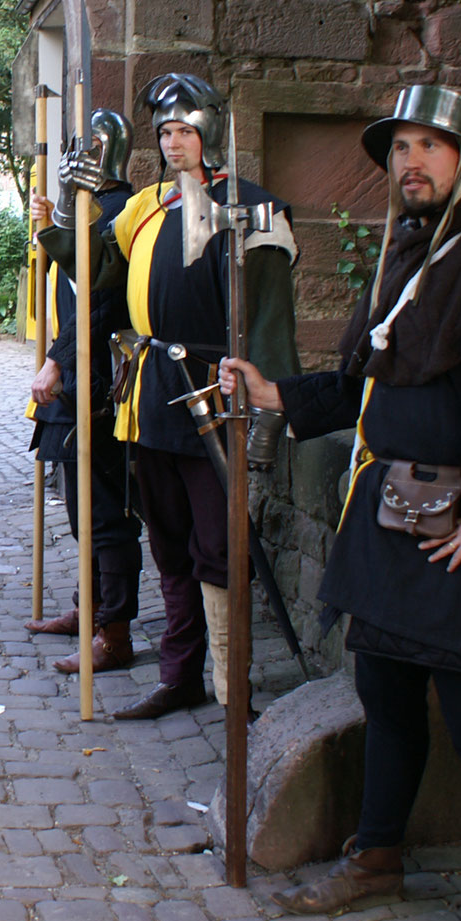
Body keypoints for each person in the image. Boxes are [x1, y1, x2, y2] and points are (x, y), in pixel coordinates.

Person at [220, 85, 461, 921]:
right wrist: (272, 394)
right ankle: (378, 854)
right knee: (382, 691)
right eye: (401, 149)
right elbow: (360, 388)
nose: (410, 163)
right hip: (388, 515)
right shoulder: (411, 257)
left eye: (430, 146)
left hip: (460, 528)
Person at [101, 74, 299, 720]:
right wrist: (76, 211)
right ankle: (180, 676)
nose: (173, 141)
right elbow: (96, 273)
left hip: (216, 394)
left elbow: (268, 322)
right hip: (155, 387)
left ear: (210, 132)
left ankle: (228, 686)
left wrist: (266, 414)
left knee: (218, 547)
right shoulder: (153, 207)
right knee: (171, 543)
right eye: (165, 132)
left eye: (185, 129)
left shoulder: (253, 212)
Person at [25, 111, 146, 676]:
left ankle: (115, 633)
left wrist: (55, 358)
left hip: (106, 381)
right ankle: (90, 610)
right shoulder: (82, 214)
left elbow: (101, 305)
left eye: (90, 148)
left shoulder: (123, 213)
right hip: (78, 381)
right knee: (81, 509)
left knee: (106, 512)